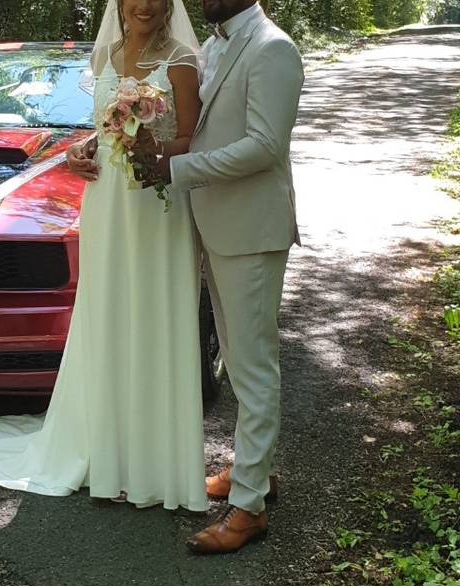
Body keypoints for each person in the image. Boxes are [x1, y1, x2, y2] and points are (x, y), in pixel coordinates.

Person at [0, 0, 209, 512]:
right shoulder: (104, 58)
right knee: (107, 315)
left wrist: (152, 151)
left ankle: (155, 459)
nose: (145, 5)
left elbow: (190, 137)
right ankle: (105, 446)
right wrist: (81, 152)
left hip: (156, 204)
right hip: (105, 204)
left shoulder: (183, 61)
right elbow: (98, 133)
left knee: (154, 317)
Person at [153, 0, 305, 553]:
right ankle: (252, 473)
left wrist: (179, 169)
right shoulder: (215, 44)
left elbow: (266, 147)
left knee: (253, 366)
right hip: (217, 226)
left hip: (251, 230)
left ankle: (248, 511)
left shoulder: (273, 49)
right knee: (239, 365)